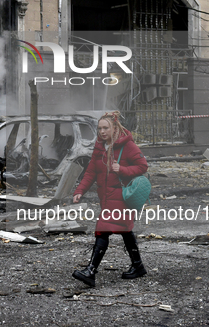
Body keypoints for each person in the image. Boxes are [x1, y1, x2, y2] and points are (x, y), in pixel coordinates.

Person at [72, 111, 148, 287]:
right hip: (106, 197)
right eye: (99, 128)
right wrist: (80, 190)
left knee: (103, 229)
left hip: (122, 197)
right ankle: (138, 266)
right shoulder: (99, 148)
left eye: (106, 128)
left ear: (115, 128)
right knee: (124, 230)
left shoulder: (128, 146)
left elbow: (142, 166)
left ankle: (91, 271)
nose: (102, 132)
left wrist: (122, 169)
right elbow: (91, 172)